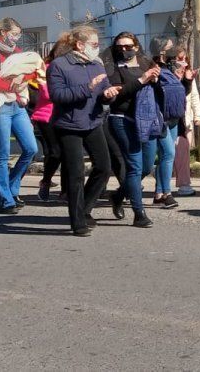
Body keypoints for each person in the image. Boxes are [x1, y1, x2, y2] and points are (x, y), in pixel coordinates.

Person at [46, 25, 117, 236]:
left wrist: (109, 94)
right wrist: (87, 88)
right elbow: (57, 96)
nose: (97, 48)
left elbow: (103, 91)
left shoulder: (97, 64)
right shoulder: (59, 65)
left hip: (93, 121)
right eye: (94, 45)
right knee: (76, 174)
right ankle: (78, 222)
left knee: (104, 167)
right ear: (79, 45)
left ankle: (85, 208)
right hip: (68, 125)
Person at [0, 17, 40, 215]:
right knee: (3, 155)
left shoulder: (18, 53)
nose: (16, 38)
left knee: (31, 149)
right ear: (2, 33)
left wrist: (22, 82)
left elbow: (32, 71)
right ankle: (5, 200)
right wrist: (14, 86)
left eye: (18, 35)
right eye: (14, 34)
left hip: (17, 105)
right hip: (0, 105)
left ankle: (12, 188)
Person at [103, 32, 159, 228]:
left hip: (147, 119)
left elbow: (159, 91)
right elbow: (117, 96)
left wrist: (158, 79)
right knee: (134, 167)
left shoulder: (146, 62)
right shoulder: (112, 67)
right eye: (119, 47)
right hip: (122, 119)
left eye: (128, 46)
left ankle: (118, 195)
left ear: (136, 46)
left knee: (146, 166)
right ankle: (139, 213)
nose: (124, 50)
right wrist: (142, 80)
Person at [147, 37, 184, 209]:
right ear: (161, 51)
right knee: (168, 154)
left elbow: (178, 95)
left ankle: (159, 193)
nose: (174, 50)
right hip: (160, 119)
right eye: (170, 48)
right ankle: (167, 193)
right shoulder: (153, 69)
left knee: (166, 156)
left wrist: (185, 80)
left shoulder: (170, 68)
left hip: (173, 119)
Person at [172, 48, 200, 197]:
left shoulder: (189, 74)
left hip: (186, 121)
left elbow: (194, 97)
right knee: (169, 156)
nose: (182, 62)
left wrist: (198, 116)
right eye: (179, 59)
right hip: (170, 122)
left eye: (184, 59)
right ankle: (161, 185)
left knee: (183, 154)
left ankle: (184, 184)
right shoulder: (167, 75)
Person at [31, 55, 61, 202]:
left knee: (67, 154)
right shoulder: (46, 70)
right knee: (55, 152)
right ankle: (46, 181)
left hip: (65, 117)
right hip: (46, 116)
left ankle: (67, 191)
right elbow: (49, 94)